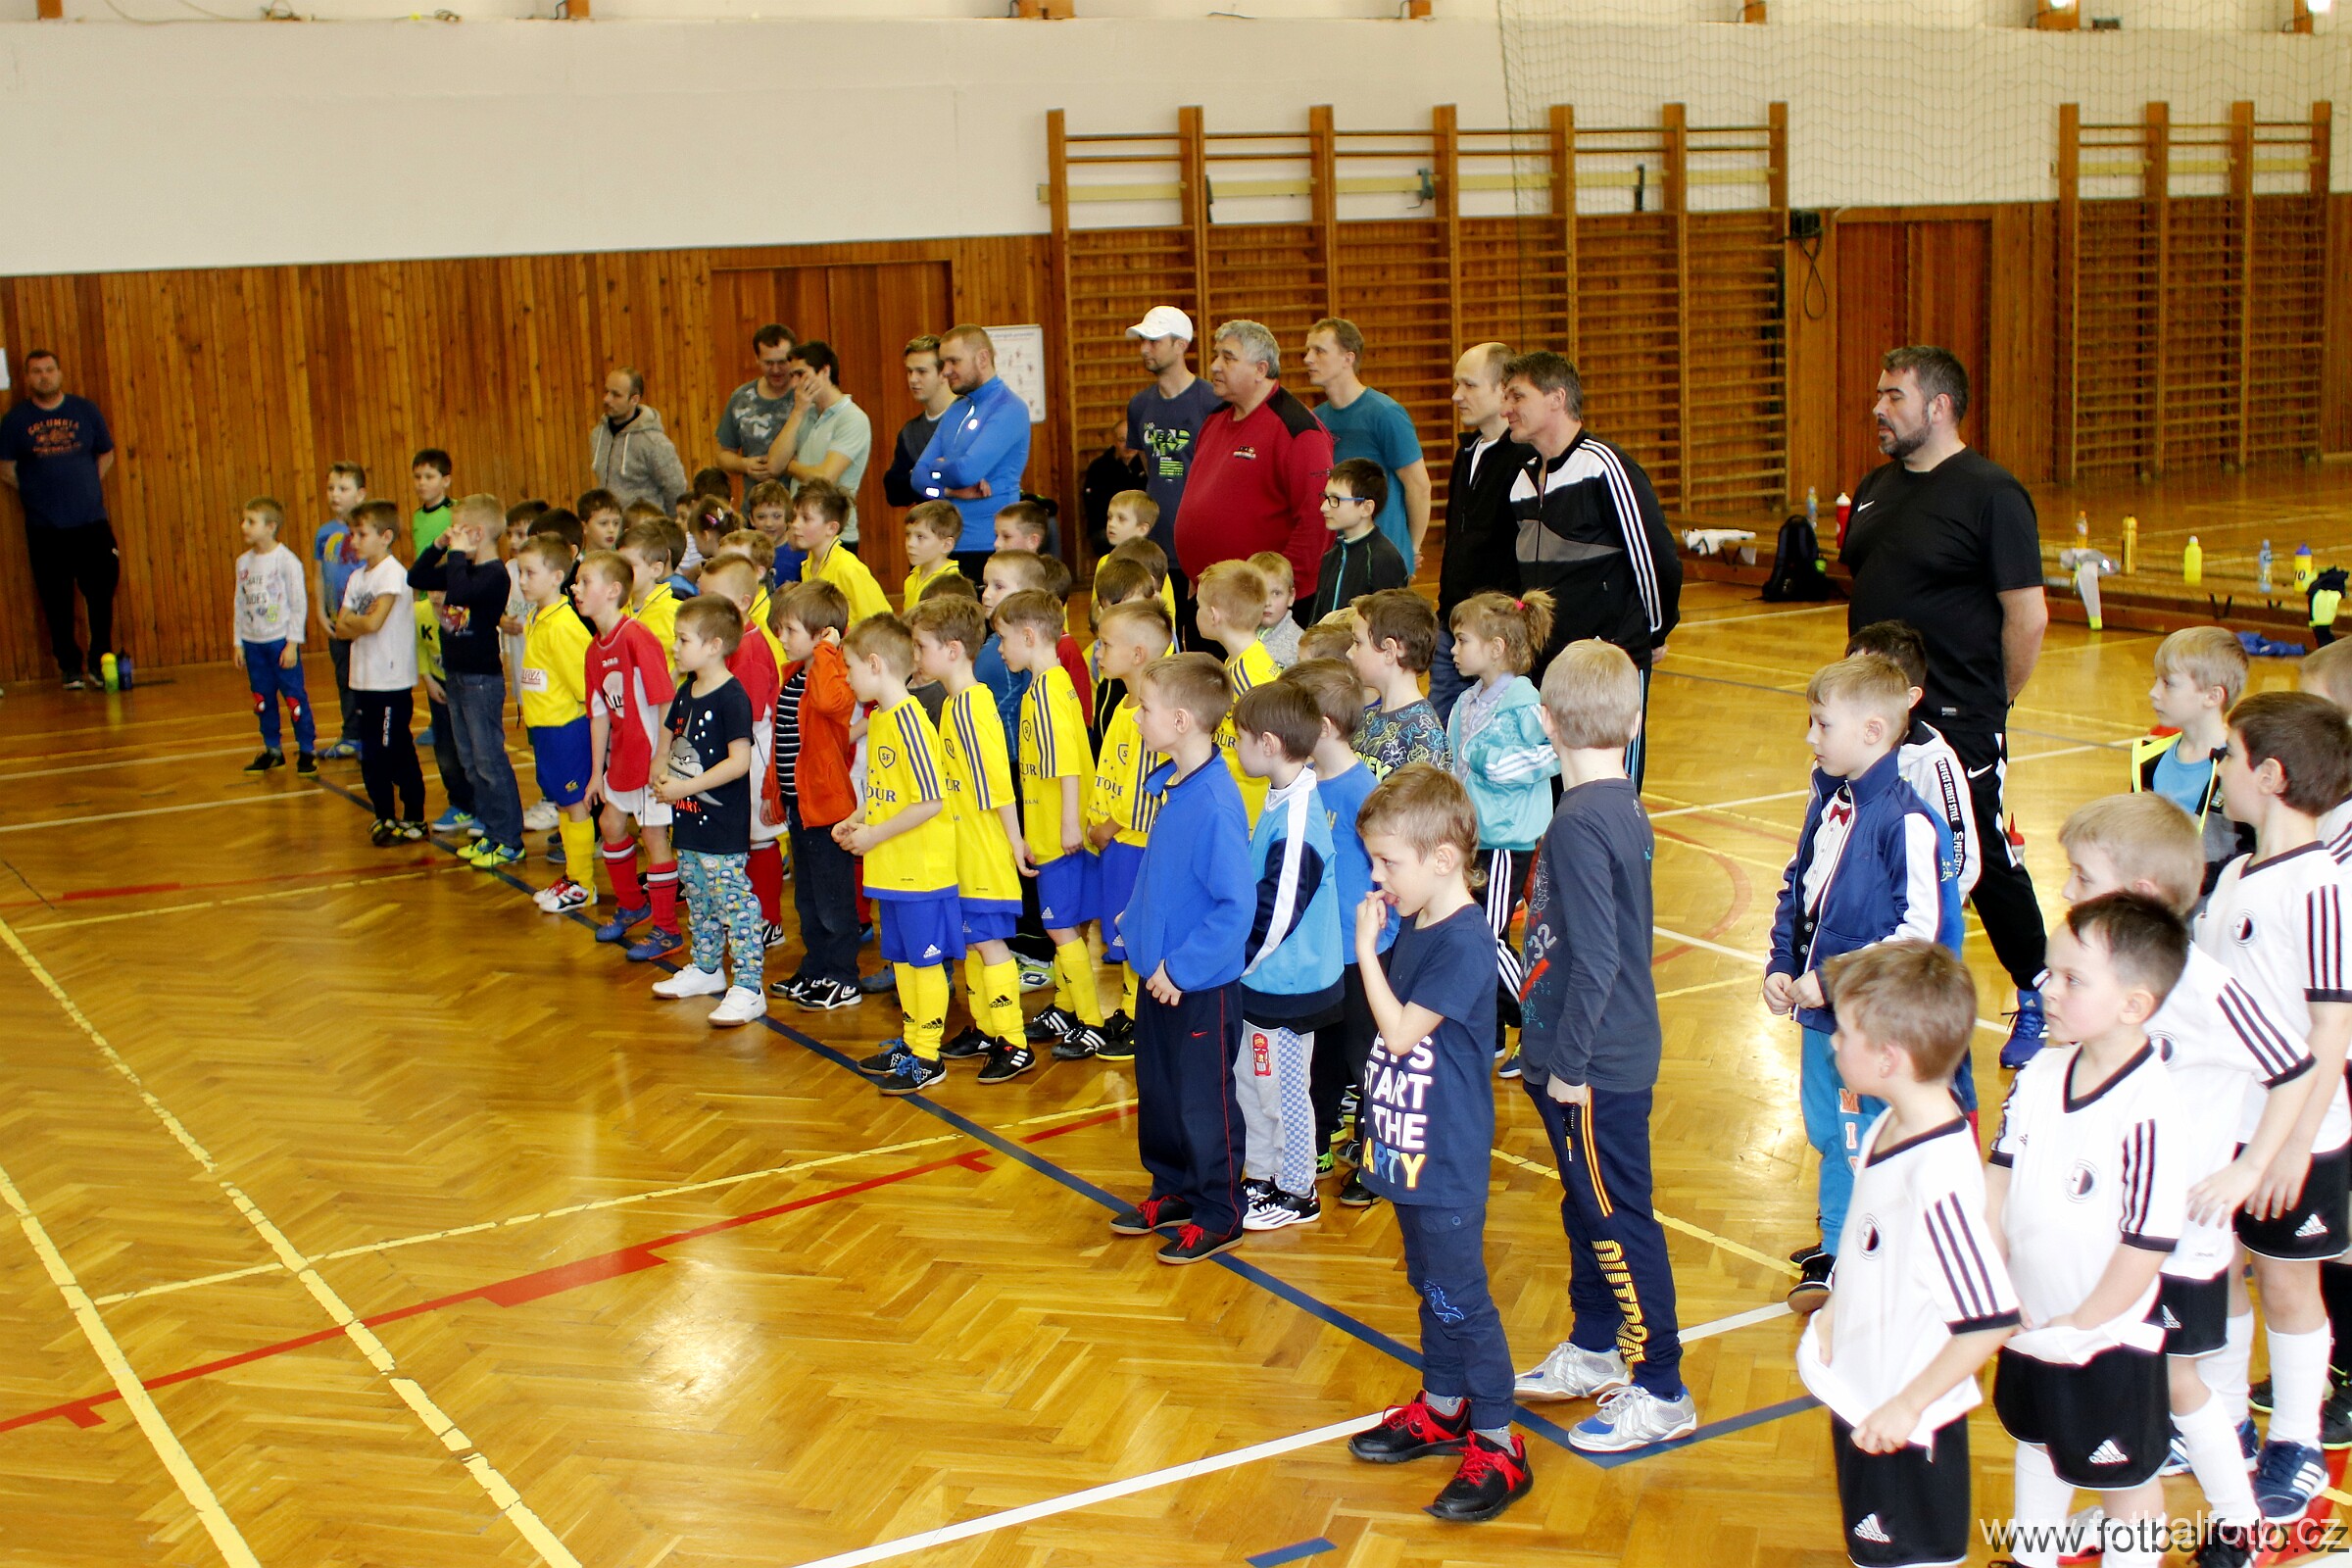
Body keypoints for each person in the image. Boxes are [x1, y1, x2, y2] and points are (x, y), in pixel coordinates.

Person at [2059, 794, 2314, 1557]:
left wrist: (2252, 1166)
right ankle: (2125, 1514)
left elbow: (2294, 1069)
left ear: (2138, 894)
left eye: (2082, 876)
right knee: (2116, 1377)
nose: (2067, 889)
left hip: (2178, 1241)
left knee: (2175, 1385)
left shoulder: (2206, 988)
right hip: (2109, 1231)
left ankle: (2241, 1521)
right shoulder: (2094, 980)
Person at [1507, 638, 1698, 1451]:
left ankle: (1661, 1386)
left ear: (1547, 722)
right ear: (1636, 719)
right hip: (1589, 1053)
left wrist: (1570, 1067)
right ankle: (1593, 1347)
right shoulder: (1620, 802)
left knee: (1617, 1217)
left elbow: (1599, 959)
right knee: (1586, 1204)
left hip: (1593, 1064)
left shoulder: (1582, 821)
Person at [1842, 345, 2050, 1068]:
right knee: (1877, 847)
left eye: (1893, 396)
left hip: (1959, 720)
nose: (1878, 408)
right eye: (1879, 393)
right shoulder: (1876, 487)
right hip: (1877, 721)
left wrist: (1992, 703)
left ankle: (2038, 990)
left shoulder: (1992, 493)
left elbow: (2027, 617)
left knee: (1980, 858)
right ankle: (1896, 994)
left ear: (1939, 407)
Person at [1791, 942, 2020, 1568]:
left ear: (1889, 1058)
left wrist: (1908, 1406)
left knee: (1914, 1557)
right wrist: (1835, 1312)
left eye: (1845, 1033)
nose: (1834, 1045)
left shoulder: (1939, 1174)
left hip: (1909, 1426)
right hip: (1865, 1394)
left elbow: (1991, 1320)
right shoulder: (1887, 1125)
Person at [1345, 763, 1532, 1521]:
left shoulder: (1465, 942)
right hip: (1407, 1144)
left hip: (1446, 1154)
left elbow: (1398, 1030)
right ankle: (1445, 1406)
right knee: (1432, 1286)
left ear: (1444, 859)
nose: (1378, 877)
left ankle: (1499, 1440)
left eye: (1388, 862)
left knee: (1463, 1297)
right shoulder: (1421, 924)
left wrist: (1366, 949)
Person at [1987, 895, 2189, 1568]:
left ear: (2133, 1004)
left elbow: (2146, 1244)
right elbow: (1999, 1180)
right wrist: (1995, 1282)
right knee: (2036, 1440)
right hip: (2030, 1321)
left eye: (2073, 979)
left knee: (2125, 1484)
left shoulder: (2150, 1108)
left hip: (2107, 1339)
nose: (2048, 988)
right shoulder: (2040, 1074)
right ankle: (2032, 1557)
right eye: (2050, 972)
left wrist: (2080, 1325)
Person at [1765, 654, 1963, 1313]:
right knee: (1827, 1128)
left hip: (1868, 1019)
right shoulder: (1829, 801)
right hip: (1822, 1013)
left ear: (1873, 731)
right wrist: (1782, 964)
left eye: (1822, 725)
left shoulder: (1906, 821)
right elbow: (1798, 887)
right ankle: (1838, 1229)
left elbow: (1919, 931)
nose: (1811, 737)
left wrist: (1834, 978)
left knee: (1858, 1133)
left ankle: (1852, 1250)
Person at [2195, 691, 2352, 1522]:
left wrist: (2292, 1143)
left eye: (2228, 756)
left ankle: (2299, 1440)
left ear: (2271, 774)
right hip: (2223, 1124)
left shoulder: (2320, 886)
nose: (2217, 768)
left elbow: (2332, 1028)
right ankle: (2225, 1424)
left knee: (2289, 1286)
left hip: (2297, 1134)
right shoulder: (2233, 876)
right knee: (2217, 1269)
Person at [1109, 652, 1254, 1264]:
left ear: (1180, 720)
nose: (1135, 716)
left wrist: (1182, 968)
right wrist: (1136, 925)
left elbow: (1234, 907)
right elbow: (1164, 876)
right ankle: (1172, 1189)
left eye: (1144, 708)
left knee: (1203, 1101)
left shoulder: (1215, 803)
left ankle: (1220, 1211)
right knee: (1162, 1093)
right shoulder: (1176, 786)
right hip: (1159, 979)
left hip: (1197, 986)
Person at [1499, 352, 1679, 787]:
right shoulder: (1521, 481)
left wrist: (1651, 634)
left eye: (1517, 397)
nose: (1506, 409)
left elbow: (1656, 559)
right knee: (1556, 794)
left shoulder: (1603, 466)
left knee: (1610, 787)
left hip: (1608, 663)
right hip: (1546, 667)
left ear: (1557, 398)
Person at [1231, 681, 1344, 1233]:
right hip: (1264, 983)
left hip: (1291, 988)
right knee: (1253, 1083)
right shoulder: (1279, 798)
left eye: (1240, 738)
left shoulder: (1299, 819)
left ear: (1270, 744)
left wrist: (1235, 962)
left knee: (1284, 1093)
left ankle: (1298, 1190)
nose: (1235, 748)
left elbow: (1279, 915)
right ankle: (1262, 1174)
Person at [838, 615, 963, 1096]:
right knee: (906, 962)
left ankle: (929, 1056)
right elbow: (888, 791)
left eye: (850, 668)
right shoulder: (882, 717)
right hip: (891, 866)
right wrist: (858, 817)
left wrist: (874, 835)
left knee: (924, 963)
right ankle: (912, 1043)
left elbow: (930, 801)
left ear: (875, 664)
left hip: (920, 871)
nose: (847, 678)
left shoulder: (910, 721)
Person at [909, 595, 1033, 1076]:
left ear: (953, 649)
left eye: (921, 647)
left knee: (990, 943)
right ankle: (987, 1027)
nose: (916, 657)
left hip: (983, 847)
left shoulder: (970, 707)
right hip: (962, 847)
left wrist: (1014, 842)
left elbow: (998, 786)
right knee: (975, 941)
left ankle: (1014, 1040)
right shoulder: (953, 703)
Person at [1444, 591, 1560, 1074]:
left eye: (1461, 640)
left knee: (1487, 941)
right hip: (1473, 840)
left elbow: (1552, 753)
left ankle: (1543, 1022)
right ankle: (1490, 1032)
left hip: (1506, 843)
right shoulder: (1467, 702)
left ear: (1495, 648)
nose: (1453, 650)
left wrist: (1493, 763)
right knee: (1472, 937)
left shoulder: (1523, 703)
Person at [1285, 657, 1386, 1209]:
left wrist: (1378, 935)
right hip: (1320, 951)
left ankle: (1376, 1158)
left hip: (1360, 952)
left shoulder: (1361, 790)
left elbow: (1384, 872)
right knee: (1320, 1053)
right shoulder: (1303, 783)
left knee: (1363, 1058)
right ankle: (1318, 1143)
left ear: (1322, 727)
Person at [1000, 588, 1110, 1066]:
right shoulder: (1049, 684)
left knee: (1060, 928)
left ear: (1028, 636)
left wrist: (1068, 824)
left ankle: (1092, 1022)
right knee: (1066, 927)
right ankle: (1067, 1008)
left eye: (1003, 639)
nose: (1000, 649)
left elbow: (1066, 763)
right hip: (1052, 830)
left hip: (1058, 836)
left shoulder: (1045, 692)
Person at [645, 596, 766, 1028]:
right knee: (698, 898)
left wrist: (685, 787)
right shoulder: (686, 691)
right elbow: (670, 741)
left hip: (721, 824)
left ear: (714, 645)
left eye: (683, 640)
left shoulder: (732, 697)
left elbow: (739, 762)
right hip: (688, 820)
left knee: (733, 902)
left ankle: (749, 986)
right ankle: (707, 968)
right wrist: (662, 770)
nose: (674, 647)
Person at [1177, 320, 1334, 607]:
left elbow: (1316, 522)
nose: (1214, 366)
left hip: (1262, 607)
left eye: (1228, 358)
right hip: (1210, 596)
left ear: (1261, 369)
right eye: (1217, 355)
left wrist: (1277, 597)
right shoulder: (1215, 419)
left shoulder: (1298, 430)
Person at [578, 550, 683, 963]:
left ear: (613, 590)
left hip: (650, 756)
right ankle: (633, 905)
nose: (576, 589)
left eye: (585, 581)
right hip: (622, 758)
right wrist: (596, 773)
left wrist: (661, 756)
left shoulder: (636, 636)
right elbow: (599, 715)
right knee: (609, 823)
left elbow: (665, 700)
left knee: (654, 838)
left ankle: (667, 929)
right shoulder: (594, 650)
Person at [413, 495, 527, 870]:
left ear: (476, 533)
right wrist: (439, 546)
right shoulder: (461, 567)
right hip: (456, 676)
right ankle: (491, 832)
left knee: (489, 760)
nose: (452, 534)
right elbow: (416, 577)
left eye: (457, 528)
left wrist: (457, 554)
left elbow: (459, 593)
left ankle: (509, 839)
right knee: (470, 761)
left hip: (480, 680)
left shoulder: (494, 575)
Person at [1844, 620, 1982, 919]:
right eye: (1851, 680)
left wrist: (1919, 920)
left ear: (1910, 697)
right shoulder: (1834, 754)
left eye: (1875, 683)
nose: (1857, 694)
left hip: (1905, 929)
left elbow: (1961, 860)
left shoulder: (1931, 763)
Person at [1086, 597, 1174, 1059]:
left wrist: (1109, 826)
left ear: (1137, 654)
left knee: (1136, 931)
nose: (1097, 652)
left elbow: (1146, 788)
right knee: (1121, 931)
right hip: (1116, 842)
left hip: (1134, 843)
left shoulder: (1149, 714)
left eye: (1105, 644)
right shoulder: (1122, 705)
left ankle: (1144, 1019)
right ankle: (1127, 1005)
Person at [0, 349, 119, 689]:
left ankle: (99, 661)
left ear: (60, 373)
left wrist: (87, 484)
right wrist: (37, 493)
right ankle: (70, 667)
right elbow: (6, 468)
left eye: (49, 369)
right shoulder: (16, 420)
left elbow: (106, 452)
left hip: (91, 522)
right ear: (27, 378)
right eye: (37, 371)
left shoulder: (85, 410)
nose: (44, 376)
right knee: (56, 601)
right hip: (45, 527)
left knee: (101, 594)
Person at [771, 580, 862, 1010]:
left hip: (827, 809)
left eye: (790, 630)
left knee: (833, 902)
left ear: (823, 633)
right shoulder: (794, 676)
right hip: (799, 806)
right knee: (807, 899)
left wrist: (828, 650)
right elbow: (784, 740)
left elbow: (829, 705)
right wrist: (773, 790)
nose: (781, 637)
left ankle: (843, 976)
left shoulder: (832, 674)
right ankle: (815, 968)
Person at [1431, 343, 1529, 721]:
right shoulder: (1467, 453)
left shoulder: (1524, 459)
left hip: (1494, 632)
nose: (1457, 396)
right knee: (1443, 731)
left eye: (1469, 385)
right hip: (1452, 625)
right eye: (1457, 384)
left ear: (1503, 389)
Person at [694, 556, 788, 945]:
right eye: (700, 597)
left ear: (744, 602)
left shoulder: (749, 648)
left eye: (713, 599)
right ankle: (744, 912)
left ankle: (769, 920)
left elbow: (743, 718)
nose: (704, 607)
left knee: (758, 837)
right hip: (730, 753)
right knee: (739, 839)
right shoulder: (725, 642)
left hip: (752, 755)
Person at [2128, 626, 2251, 895]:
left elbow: (2250, 852)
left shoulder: (2242, 768)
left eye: (2168, 683)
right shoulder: (2148, 757)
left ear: (2212, 696)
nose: (2153, 692)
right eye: (2156, 681)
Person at [1302, 318, 1430, 573]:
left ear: (1348, 358)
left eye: (1319, 351)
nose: (1308, 359)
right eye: (1307, 351)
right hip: (1340, 557)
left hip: (1381, 559)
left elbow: (1418, 485)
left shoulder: (1385, 413)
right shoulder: (1317, 419)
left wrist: (1411, 547)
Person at [514, 534, 599, 915]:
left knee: (575, 803)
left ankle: (584, 883)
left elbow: (585, 687)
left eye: (530, 573)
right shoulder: (537, 617)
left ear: (557, 576)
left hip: (567, 729)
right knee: (564, 804)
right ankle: (573, 874)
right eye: (520, 572)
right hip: (546, 729)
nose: (522, 580)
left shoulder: (563, 624)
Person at [332, 502, 425, 843]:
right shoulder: (357, 577)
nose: (354, 540)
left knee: (393, 750)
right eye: (352, 533)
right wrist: (358, 622)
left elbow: (372, 623)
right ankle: (384, 815)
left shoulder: (392, 573)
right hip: (363, 679)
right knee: (371, 754)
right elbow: (339, 627)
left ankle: (414, 816)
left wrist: (355, 622)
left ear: (385, 537)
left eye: (361, 534)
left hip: (390, 682)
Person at [915, 325, 1032, 572]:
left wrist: (936, 467)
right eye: (943, 363)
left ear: (982, 358)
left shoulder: (1009, 408)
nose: (946, 371)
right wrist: (949, 490)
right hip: (948, 544)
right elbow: (917, 478)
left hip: (990, 545)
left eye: (954, 361)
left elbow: (965, 472)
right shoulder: (956, 409)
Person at [1125, 306, 1223, 565]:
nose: (1144, 349)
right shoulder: (1139, 405)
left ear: (1181, 345)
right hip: (1158, 538)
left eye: (1154, 341)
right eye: (1142, 341)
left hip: (1203, 536)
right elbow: (1149, 463)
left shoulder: (1213, 402)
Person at [232, 497, 317, 776]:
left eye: (251, 521)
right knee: (262, 698)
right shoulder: (243, 562)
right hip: (253, 642)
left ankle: (307, 749)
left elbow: (298, 603)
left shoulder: (286, 561)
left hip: (279, 641)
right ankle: (272, 750)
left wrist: (292, 643)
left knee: (293, 697)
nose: (244, 526)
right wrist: (238, 642)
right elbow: (239, 603)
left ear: (270, 527)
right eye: (244, 520)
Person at [764, 340, 874, 548]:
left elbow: (825, 478)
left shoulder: (852, 418)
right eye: (792, 376)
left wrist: (791, 466)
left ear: (824, 371)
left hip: (836, 535)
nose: (795, 384)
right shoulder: (804, 414)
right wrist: (798, 412)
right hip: (800, 531)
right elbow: (774, 465)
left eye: (801, 374)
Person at [1195, 560, 1279, 827]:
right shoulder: (1243, 660)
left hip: (1245, 806)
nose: (1196, 613)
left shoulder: (1246, 676)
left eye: (1198, 606)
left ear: (1214, 615)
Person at [1348, 589, 1449, 779]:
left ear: (1389, 651)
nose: (1349, 653)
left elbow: (1426, 797)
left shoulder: (1423, 733)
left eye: (1357, 642)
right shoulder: (1368, 717)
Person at [1304, 459, 1408, 624]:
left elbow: (1390, 624)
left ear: (1366, 508)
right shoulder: (1331, 557)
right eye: (1325, 497)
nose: (1324, 507)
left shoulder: (1383, 559)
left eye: (1335, 499)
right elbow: (1317, 621)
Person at [312, 462, 368, 758]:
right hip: (336, 622)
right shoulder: (324, 533)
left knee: (367, 679)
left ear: (360, 494)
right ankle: (351, 735)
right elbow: (319, 574)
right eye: (331, 488)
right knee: (344, 677)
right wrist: (321, 612)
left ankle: (372, 736)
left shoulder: (368, 531)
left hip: (361, 623)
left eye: (343, 489)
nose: (335, 494)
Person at [715, 323, 800, 502]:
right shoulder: (741, 398)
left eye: (782, 362)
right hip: (756, 506)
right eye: (769, 363)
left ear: (793, 359)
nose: (776, 370)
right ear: (757, 359)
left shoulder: (806, 396)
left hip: (800, 505)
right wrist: (744, 464)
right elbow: (723, 455)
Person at [590, 367, 690, 514]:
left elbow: (676, 488)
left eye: (616, 395)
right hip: (611, 523)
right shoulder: (598, 434)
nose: (606, 399)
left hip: (647, 525)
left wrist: (668, 522)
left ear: (634, 400)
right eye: (606, 391)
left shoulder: (655, 442)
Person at [794, 479, 891, 625]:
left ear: (831, 528)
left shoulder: (848, 569)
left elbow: (883, 622)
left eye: (806, 518)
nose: (795, 524)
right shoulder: (807, 566)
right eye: (795, 516)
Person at [615, 522, 688, 673]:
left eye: (630, 565)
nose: (621, 572)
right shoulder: (617, 608)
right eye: (619, 564)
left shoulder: (674, 611)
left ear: (655, 569)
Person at [903, 500, 963, 610]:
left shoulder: (951, 586)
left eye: (920, 537)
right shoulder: (912, 578)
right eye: (908, 534)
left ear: (946, 545)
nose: (910, 543)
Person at [1249, 552, 1301, 668]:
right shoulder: (1240, 633)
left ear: (1291, 597)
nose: (1267, 602)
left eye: (1276, 593)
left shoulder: (1299, 645)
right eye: (1260, 593)